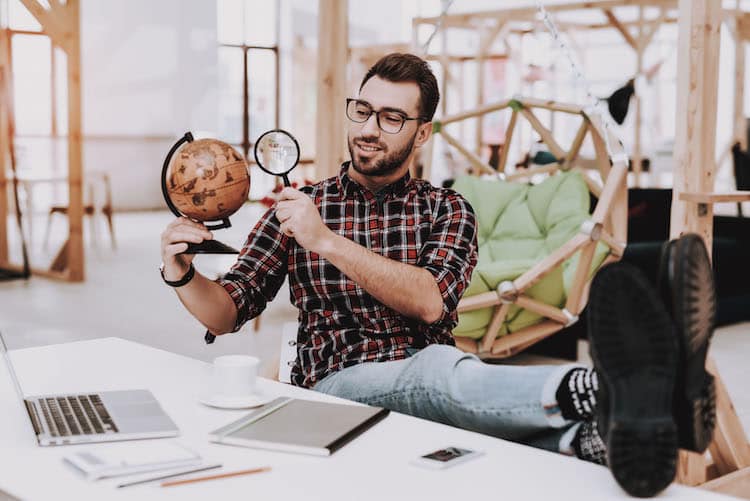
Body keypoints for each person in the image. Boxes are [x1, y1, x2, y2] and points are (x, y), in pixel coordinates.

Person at [160, 53, 716, 497]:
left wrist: (325, 240)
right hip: (336, 386)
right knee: (439, 372)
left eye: (392, 118)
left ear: (422, 134)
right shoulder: (301, 206)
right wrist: (180, 270)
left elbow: (429, 303)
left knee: (451, 392)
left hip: (438, 387)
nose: (370, 129)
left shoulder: (448, 211)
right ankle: (614, 390)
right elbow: (226, 311)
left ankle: (593, 436)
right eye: (362, 110)